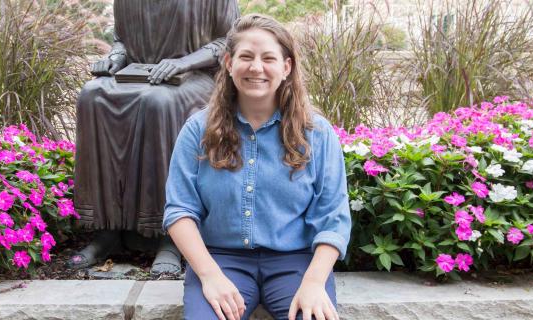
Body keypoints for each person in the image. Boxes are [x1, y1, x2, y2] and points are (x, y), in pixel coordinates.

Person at [163, 14, 351, 320]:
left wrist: (314, 282)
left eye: (268, 58)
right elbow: (179, 210)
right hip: (221, 261)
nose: (256, 67)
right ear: (228, 62)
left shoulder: (317, 133)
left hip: (296, 263)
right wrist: (209, 276)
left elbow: (334, 217)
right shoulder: (197, 130)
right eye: (246, 57)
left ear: (286, 67)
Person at [72, 0, 239, 274]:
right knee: (91, 96)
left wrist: (183, 63)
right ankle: (107, 228)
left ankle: (170, 236)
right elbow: (121, 40)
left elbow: (229, 40)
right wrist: (115, 58)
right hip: (137, 75)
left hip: (197, 77)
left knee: (158, 103)